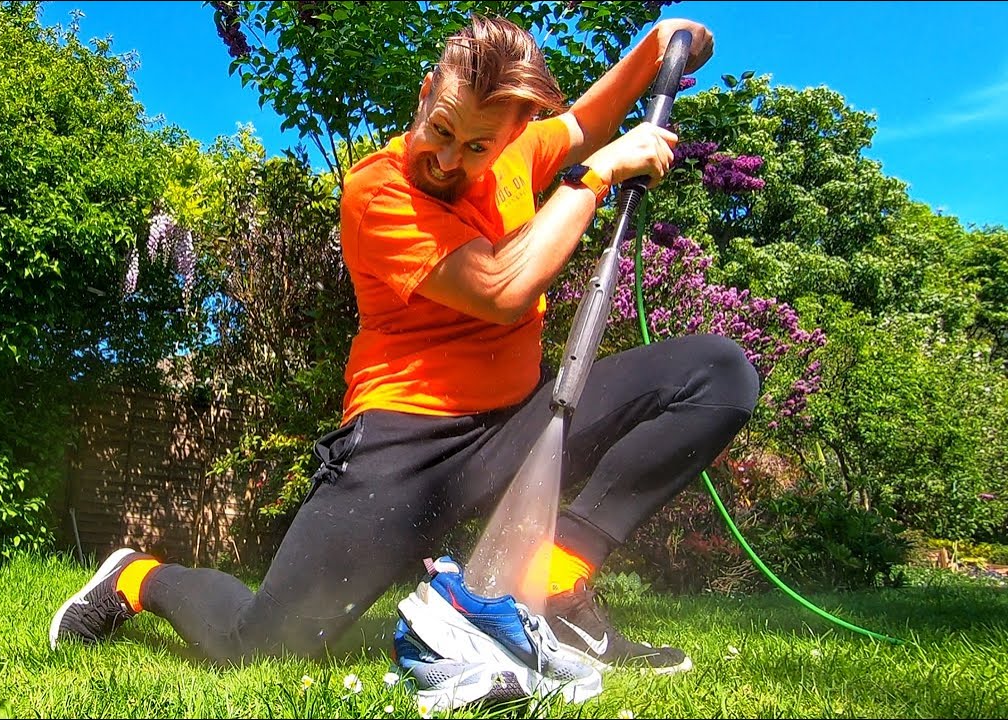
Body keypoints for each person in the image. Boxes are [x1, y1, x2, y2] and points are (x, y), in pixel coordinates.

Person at [50, 14, 758, 676]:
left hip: (518, 423)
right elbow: (501, 287)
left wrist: (652, 48)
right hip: (405, 445)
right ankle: (137, 576)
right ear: (426, 95)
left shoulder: (516, 153)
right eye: (441, 129)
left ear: (512, 136)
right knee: (262, 646)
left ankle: (555, 587)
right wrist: (595, 176)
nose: (448, 159)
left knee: (717, 375)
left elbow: (584, 123)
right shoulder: (377, 193)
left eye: (477, 147)